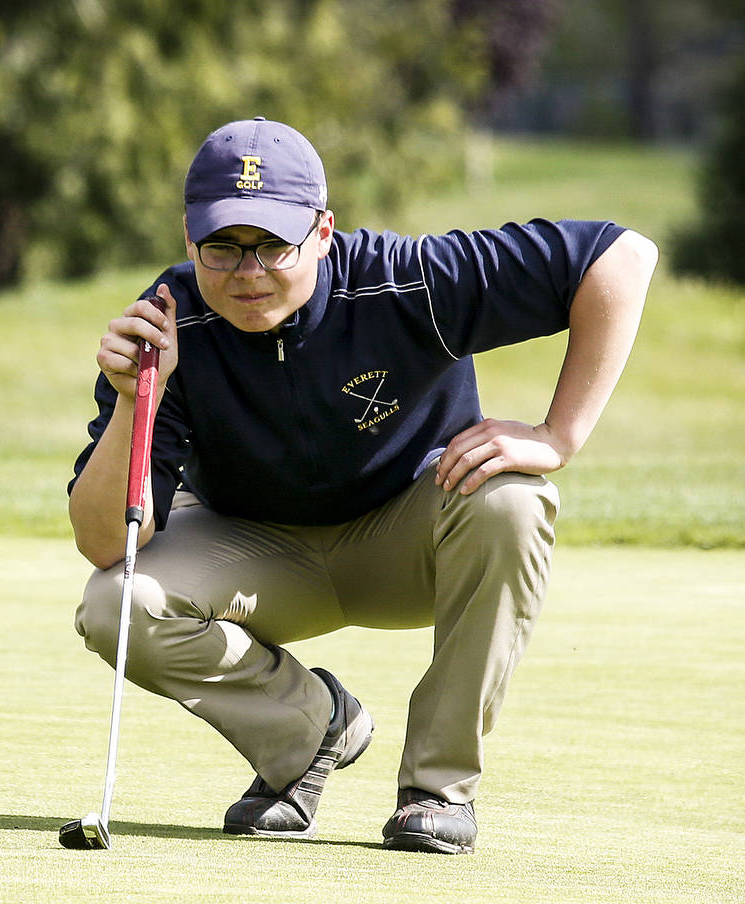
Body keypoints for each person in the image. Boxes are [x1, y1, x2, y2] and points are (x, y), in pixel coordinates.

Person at [68, 116, 657, 855]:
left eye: (273, 245)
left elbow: (621, 256)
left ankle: (435, 790)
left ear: (321, 231)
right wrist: (133, 398)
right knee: (114, 604)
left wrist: (557, 434)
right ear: (189, 239)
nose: (247, 273)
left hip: (408, 544)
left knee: (512, 497)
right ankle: (309, 733)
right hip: (258, 556)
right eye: (222, 247)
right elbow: (102, 542)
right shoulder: (163, 326)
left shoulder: (407, 280)